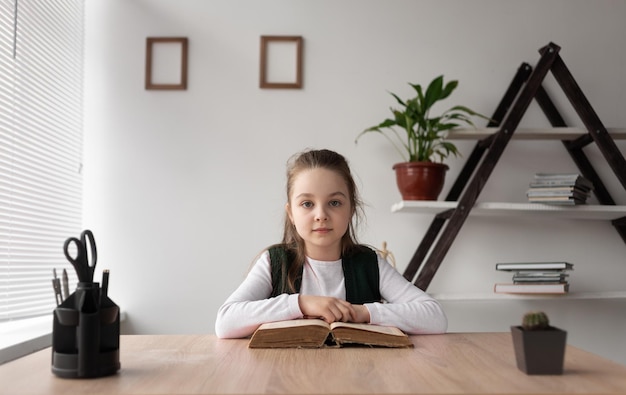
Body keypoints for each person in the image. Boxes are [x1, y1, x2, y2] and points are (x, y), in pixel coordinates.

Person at [215, 149, 447, 338]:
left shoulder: (369, 263)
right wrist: (302, 304)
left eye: (334, 203)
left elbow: (435, 317)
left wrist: (363, 313)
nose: (321, 215)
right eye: (307, 204)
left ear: (351, 209)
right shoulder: (274, 262)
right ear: (291, 213)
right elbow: (225, 322)